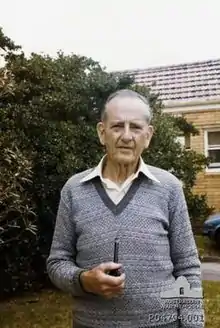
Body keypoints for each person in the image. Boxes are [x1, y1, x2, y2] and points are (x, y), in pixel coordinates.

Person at [46, 89, 205, 328]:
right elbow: (57, 263)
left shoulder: (169, 188)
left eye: (136, 127)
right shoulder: (74, 190)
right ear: (102, 133)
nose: (127, 136)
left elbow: (188, 268)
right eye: (117, 126)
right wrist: (84, 280)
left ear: (148, 136)